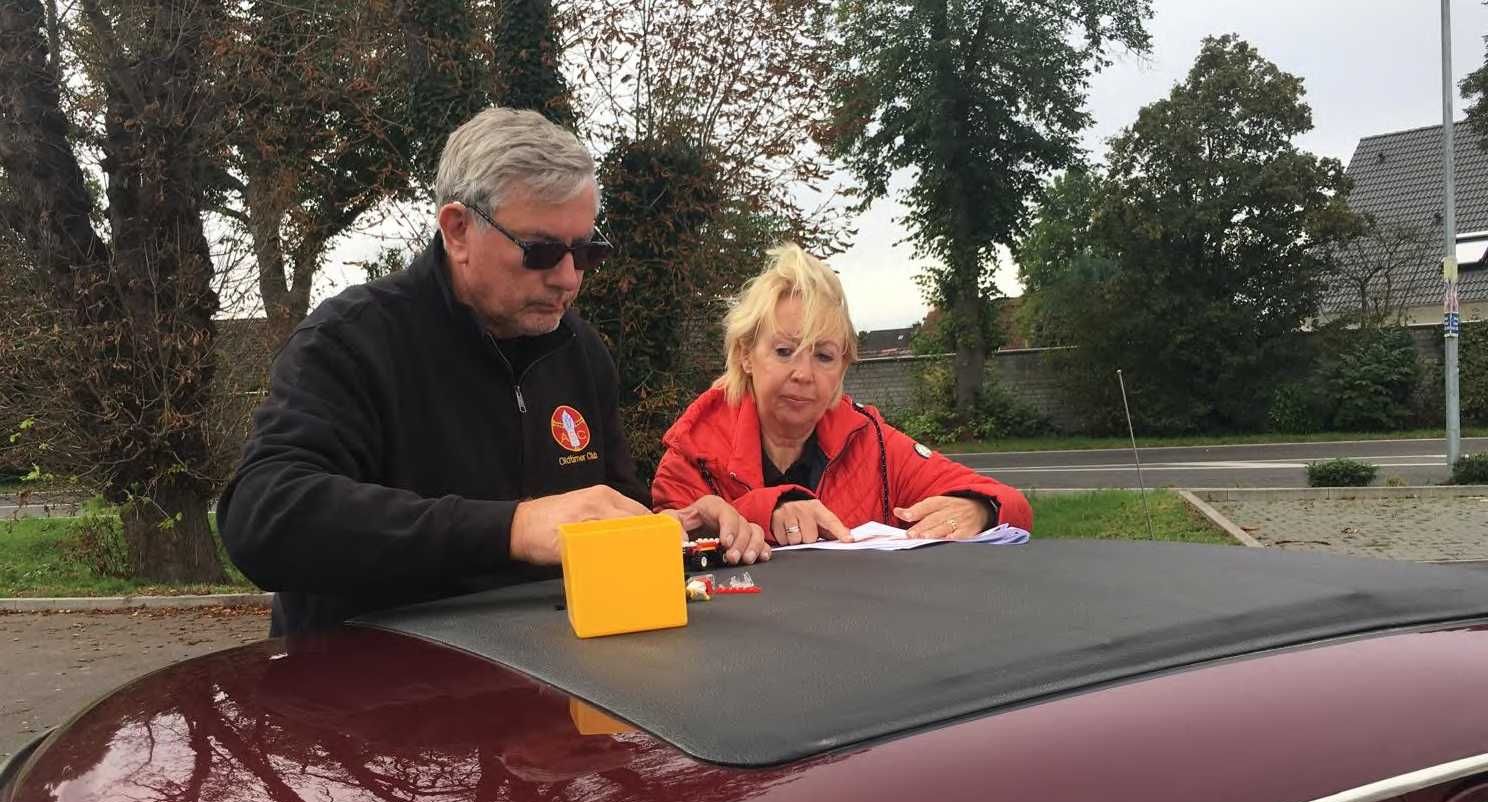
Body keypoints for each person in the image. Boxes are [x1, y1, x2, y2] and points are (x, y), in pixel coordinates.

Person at [219, 108, 766, 635]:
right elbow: (263, 516)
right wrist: (512, 529)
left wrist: (673, 530)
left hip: (549, 677)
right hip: (373, 680)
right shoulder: (352, 341)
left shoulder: (580, 352)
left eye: (585, 251)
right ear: (458, 230)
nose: (569, 279)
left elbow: (606, 513)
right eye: (541, 251)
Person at [651, 244, 1032, 545]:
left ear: (844, 366)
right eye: (784, 351)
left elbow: (1012, 504)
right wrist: (766, 511)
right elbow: (668, 545)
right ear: (745, 355)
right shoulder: (693, 452)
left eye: (824, 356)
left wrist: (980, 510)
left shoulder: (874, 444)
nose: (804, 374)